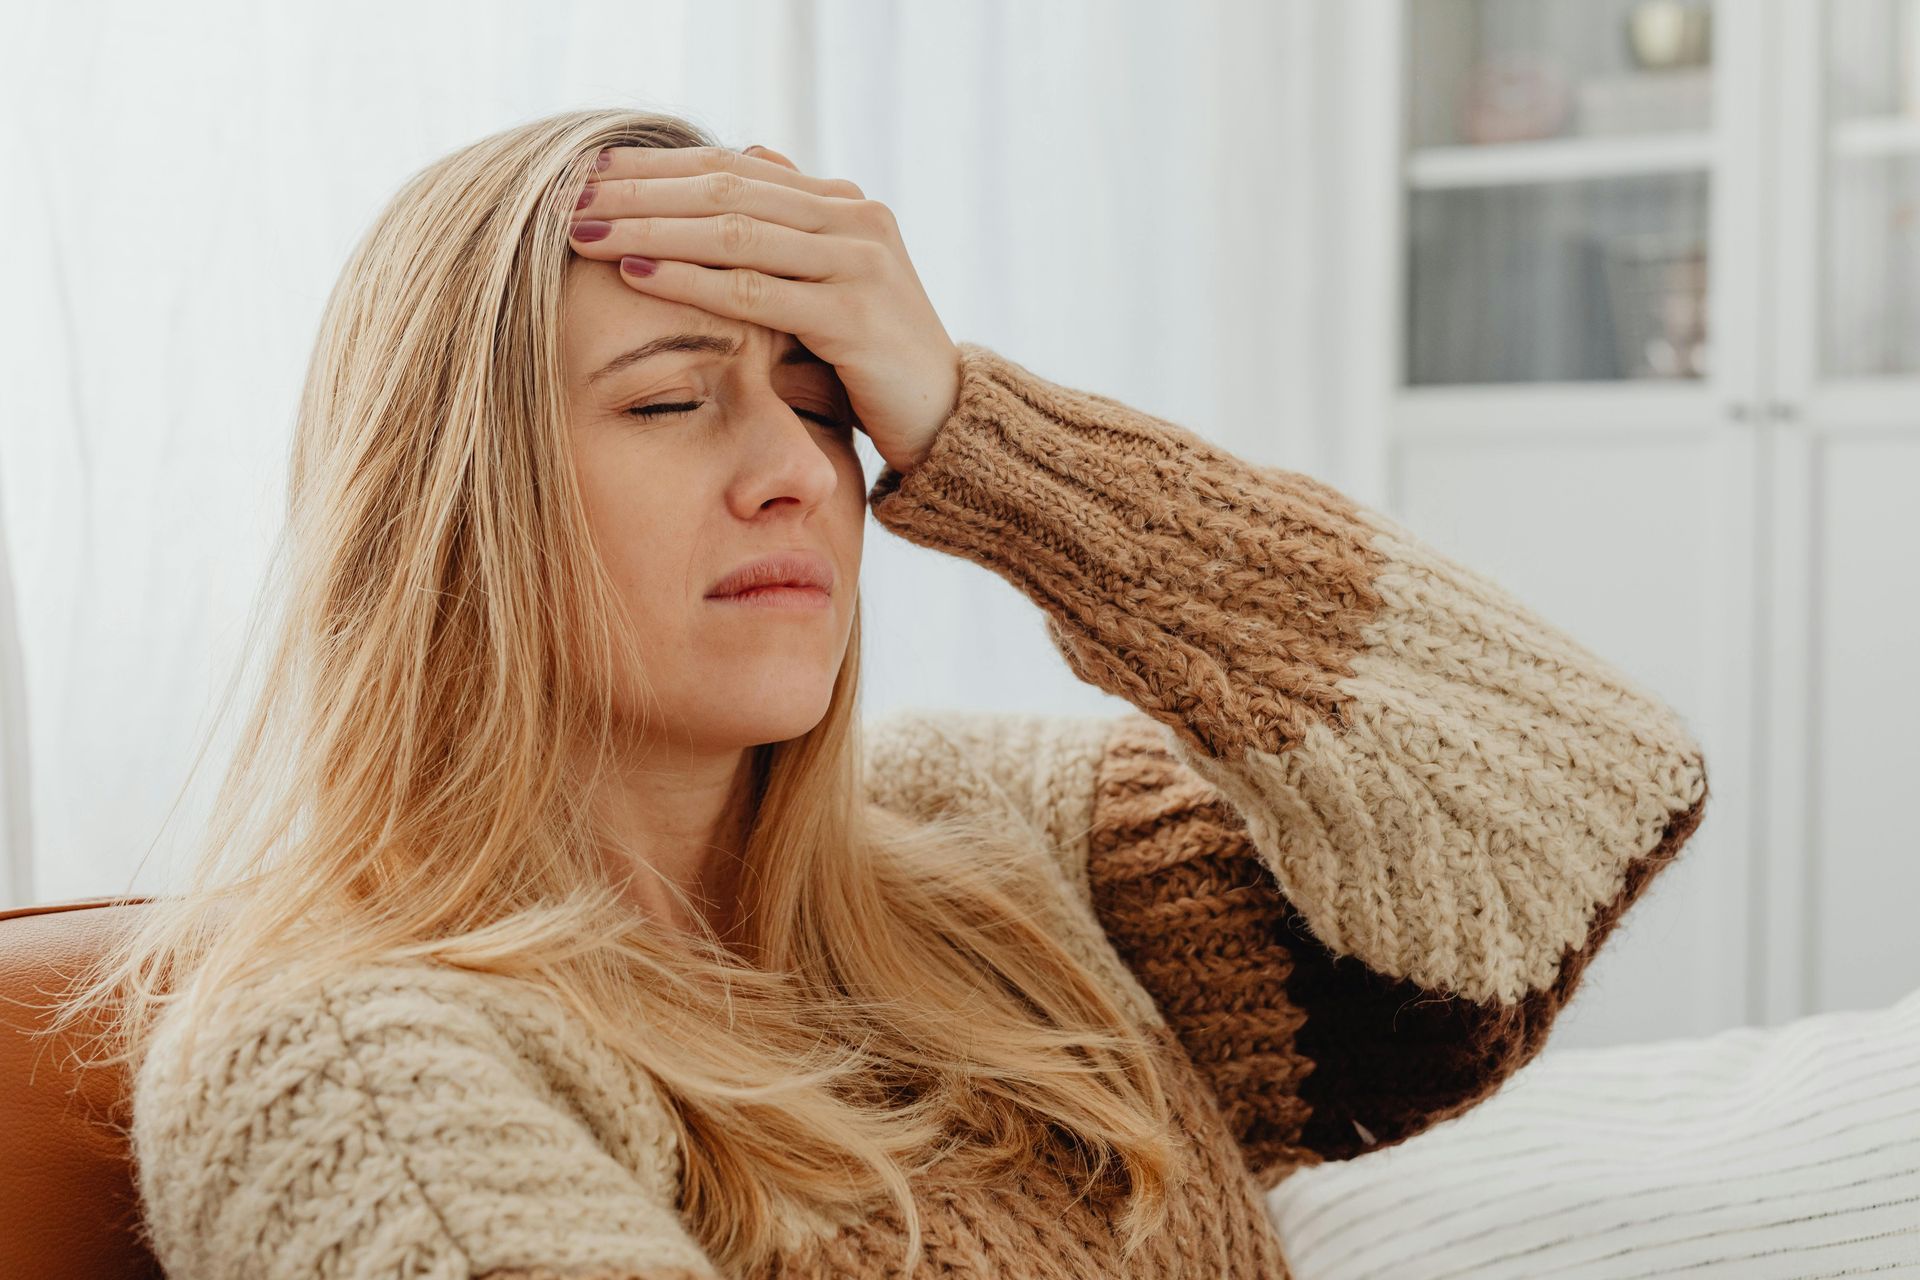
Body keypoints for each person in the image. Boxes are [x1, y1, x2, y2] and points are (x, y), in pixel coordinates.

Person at [45, 107, 1709, 1280]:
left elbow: (1571, 801)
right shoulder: (342, 1059)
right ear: (451, 508)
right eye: (669, 401)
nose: (798, 476)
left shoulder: (992, 843)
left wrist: (986, 432)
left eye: (827, 399)